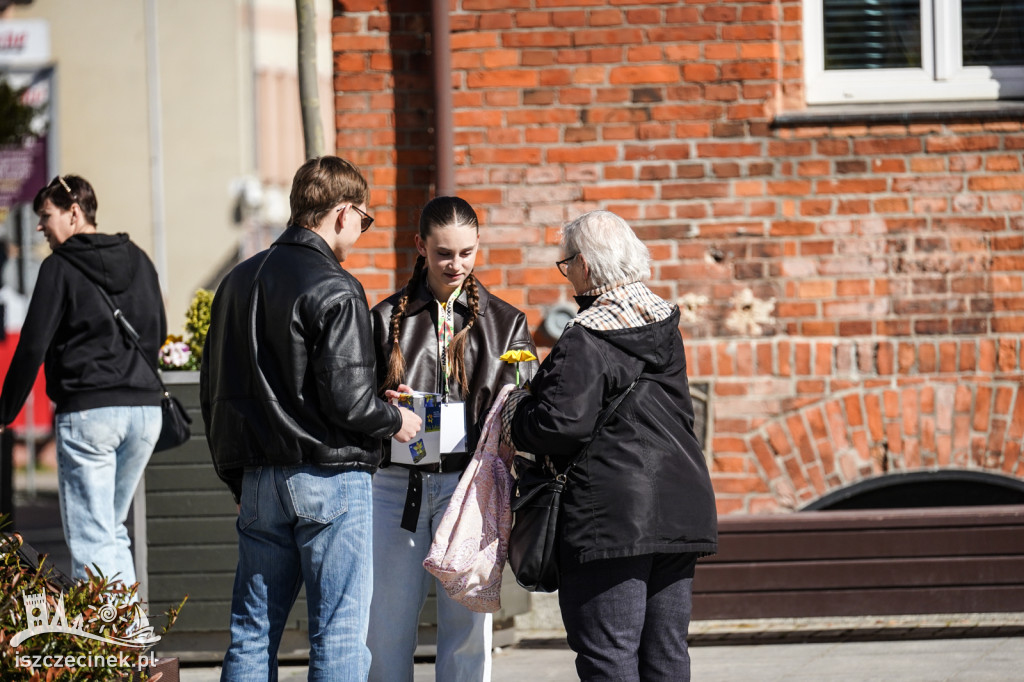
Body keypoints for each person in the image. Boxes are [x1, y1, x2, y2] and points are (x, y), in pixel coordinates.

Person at [200, 156, 421, 681]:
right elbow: (348, 402)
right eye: (364, 220)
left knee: (252, 634)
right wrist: (397, 421)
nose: (363, 232)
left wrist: (238, 476)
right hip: (330, 476)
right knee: (339, 632)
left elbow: (215, 394)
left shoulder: (235, 283)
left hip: (258, 477)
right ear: (342, 212)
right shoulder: (336, 286)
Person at [504, 210, 718, 682]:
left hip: (611, 516)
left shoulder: (588, 334)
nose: (567, 275)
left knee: (609, 654)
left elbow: (560, 425)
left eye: (565, 265)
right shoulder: (664, 322)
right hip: (682, 504)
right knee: (667, 654)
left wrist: (514, 412)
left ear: (583, 265)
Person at [366, 196, 537, 682]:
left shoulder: (507, 324)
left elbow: (528, 411)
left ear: (479, 246)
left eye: (466, 252)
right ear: (420, 246)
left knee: (468, 636)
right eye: (444, 253)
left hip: (471, 488)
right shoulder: (382, 320)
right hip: (395, 487)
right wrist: (384, 406)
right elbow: (353, 406)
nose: (456, 264)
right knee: (384, 633)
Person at [0, 174, 166, 585]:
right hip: (145, 412)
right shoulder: (139, 258)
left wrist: (5, 411)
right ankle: (131, 642)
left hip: (91, 414)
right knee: (112, 530)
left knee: (92, 539)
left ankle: (109, 647)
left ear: (74, 213)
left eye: (46, 215)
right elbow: (158, 329)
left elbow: (33, 344)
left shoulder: (59, 267)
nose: (40, 226)